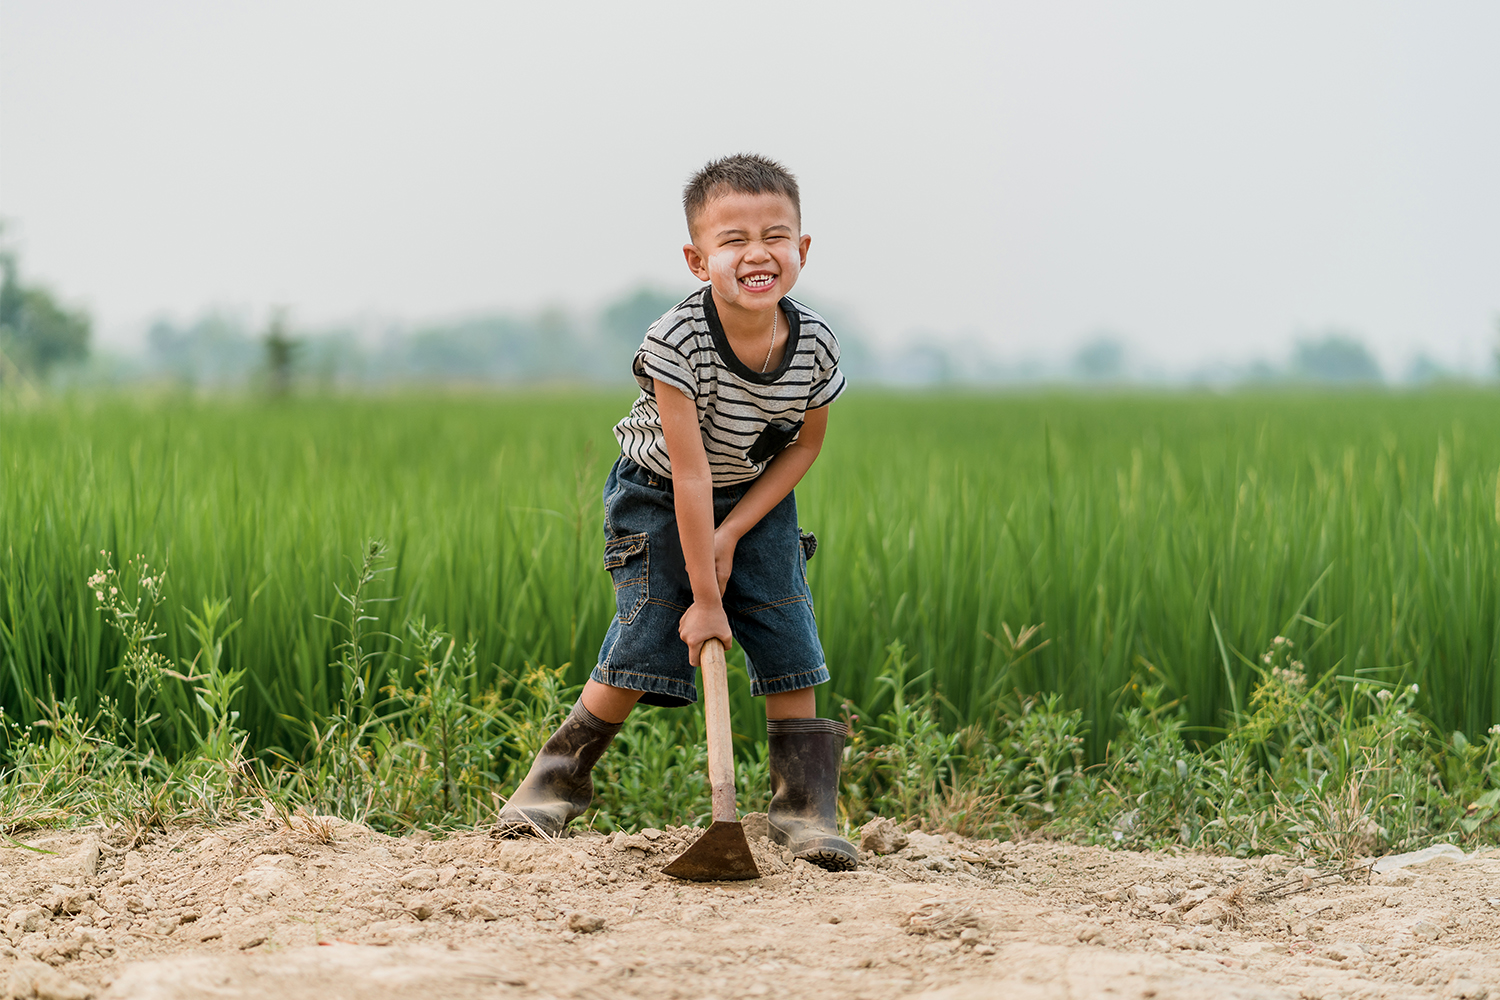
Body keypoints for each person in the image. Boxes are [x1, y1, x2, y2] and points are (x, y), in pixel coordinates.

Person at [494, 153, 857, 871]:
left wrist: (732, 533)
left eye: (775, 235)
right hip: (660, 492)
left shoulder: (814, 343)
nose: (757, 253)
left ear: (802, 250)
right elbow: (689, 475)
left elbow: (803, 448)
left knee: (788, 627)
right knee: (651, 628)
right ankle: (550, 789)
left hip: (754, 493)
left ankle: (805, 812)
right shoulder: (677, 342)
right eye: (733, 240)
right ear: (698, 260)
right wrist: (707, 597)